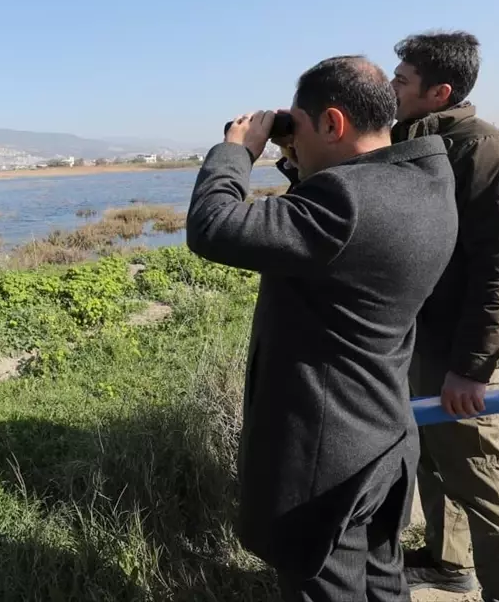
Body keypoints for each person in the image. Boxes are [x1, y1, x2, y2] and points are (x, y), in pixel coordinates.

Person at [186, 56, 459, 602]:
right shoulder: (427, 181)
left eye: (304, 128)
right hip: (386, 435)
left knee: (326, 590)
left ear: (334, 124)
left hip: (328, 460)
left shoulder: (345, 205)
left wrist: (236, 151)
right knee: (383, 583)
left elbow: (213, 226)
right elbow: (329, 221)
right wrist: (299, 153)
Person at [389, 31, 499, 602]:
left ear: (439, 91)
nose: (391, 88)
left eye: (402, 81)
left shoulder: (488, 152)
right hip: (413, 339)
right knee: (429, 457)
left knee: (479, 472)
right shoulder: (410, 141)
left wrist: (471, 368)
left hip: (452, 348)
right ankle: (449, 562)